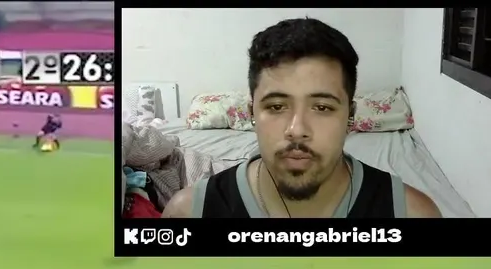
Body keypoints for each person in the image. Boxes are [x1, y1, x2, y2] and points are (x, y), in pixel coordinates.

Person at [163, 18, 441, 219]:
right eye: (276, 107)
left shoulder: (411, 213)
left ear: (350, 117)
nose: (297, 130)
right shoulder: (190, 212)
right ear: (251, 114)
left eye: (322, 107)